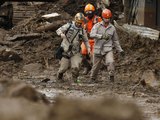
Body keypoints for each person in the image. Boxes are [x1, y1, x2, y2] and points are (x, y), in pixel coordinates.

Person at [89, 8, 124, 83]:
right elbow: (91, 34)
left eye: (108, 18)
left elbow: (115, 40)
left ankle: (111, 77)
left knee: (110, 62)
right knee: (96, 66)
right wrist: (100, 36)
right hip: (98, 49)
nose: (107, 20)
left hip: (108, 49)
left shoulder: (112, 28)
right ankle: (92, 78)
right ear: (102, 18)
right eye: (105, 18)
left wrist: (120, 50)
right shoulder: (97, 26)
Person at [56, 13, 90, 82]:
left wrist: (88, 48)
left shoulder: (82, 31)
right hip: (66, 50)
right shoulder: (68, 26)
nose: (79, 24)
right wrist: (61, 34)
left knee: (76, 66)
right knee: (63, 68)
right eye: (78, 22)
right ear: (75, 20)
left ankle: (75, 79)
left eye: (80, 23)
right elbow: (58, 30)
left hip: (75, 51)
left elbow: (86, 41)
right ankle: (59, 76)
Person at [81, 3, 102, 75]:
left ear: (93, 12)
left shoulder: (98, 19)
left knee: (94, 58)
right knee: (81, 54)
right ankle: (87, 67)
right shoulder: (83, 20)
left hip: (95, 40)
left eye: (90, 12)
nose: (88, 13)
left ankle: (94, 73)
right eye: (86, 12)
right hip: (86, 40)